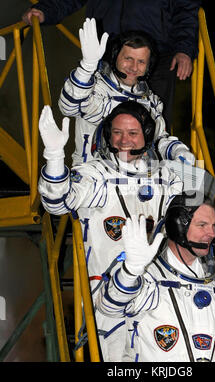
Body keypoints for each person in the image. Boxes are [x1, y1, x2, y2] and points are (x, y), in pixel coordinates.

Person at [37, 101, 183, 361]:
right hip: (108, 295)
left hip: (159, 290)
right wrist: (55, 157)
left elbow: (203, 201)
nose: (124, 140)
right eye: (117, 133)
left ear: (147, 135)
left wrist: (177, 151)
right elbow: (56, 203)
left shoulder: (167, 177)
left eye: (133, 133)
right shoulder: (96, 173)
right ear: (108, 136)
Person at [96, 189, 215, 362]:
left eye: (213, 226)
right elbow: (108, 308)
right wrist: (131, 270)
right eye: (202, 225)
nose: (212, 233)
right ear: (178, 227)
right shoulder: (147, 279)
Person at [22, 0, 202, 130]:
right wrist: (45, 10)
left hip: (156, 59)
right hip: (106, 52)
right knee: (98, 121)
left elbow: (186, 8)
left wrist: (184, 49)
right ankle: (97, 176)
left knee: (152, 125)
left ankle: (152, 177)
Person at [57, 18, 195, 166]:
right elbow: (68, 107)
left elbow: (158, 138)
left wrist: (178, 151)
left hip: (137, 176)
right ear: (115, 56)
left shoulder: (151, 101)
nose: (134, 67)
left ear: (148, 66)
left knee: (201, 183)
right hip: (93, 174)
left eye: (141, 62)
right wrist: (86, 68)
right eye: (128, 58)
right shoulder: (92, 86)